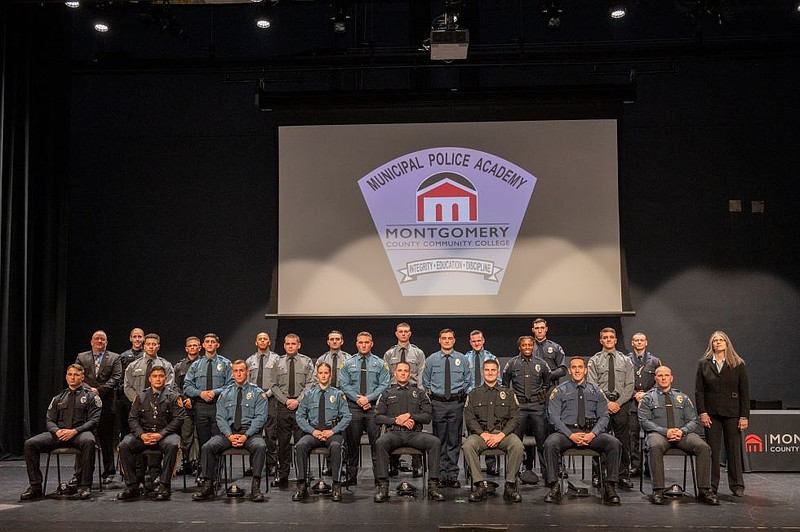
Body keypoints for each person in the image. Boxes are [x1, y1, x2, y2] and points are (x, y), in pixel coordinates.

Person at [542, 357, 622, 505]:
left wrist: (593, 434)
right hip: (567, 433)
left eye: (580, 367)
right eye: (574, 367)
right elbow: (553, 417)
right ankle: (554, 486)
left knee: (614, 443)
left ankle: (610, 486)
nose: (577, 370)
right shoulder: (559, 391)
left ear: (585, 370)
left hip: (591, 433)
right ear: (570, 370)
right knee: (550, 443)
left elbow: (604, 416)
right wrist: (570, 434)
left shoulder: (596, 391)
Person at [639, 366, 718, 505]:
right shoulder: (647, 398)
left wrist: (682, 431)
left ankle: (704, 490)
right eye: (660, 375)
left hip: (682, 434)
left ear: (671, 378)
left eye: (666, 375)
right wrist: (666, 431)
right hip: (659, 434)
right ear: (655, 378)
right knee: (654, 445)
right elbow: (644, 421)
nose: (663, 378)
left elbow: (693, 420)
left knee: (703, 447)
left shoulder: (682, 397)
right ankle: (658, 490)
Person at [21, 364, 102, 501]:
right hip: (60, 434)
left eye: (76, 375)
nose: (73, 377)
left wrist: (74, 431)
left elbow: (94, 421)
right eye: (70, 374)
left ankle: (85, 486)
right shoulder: (58, 398)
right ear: (66, 377)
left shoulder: (91, 397)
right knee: (30, 444)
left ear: (82, 377)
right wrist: (56, 431)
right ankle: (35, 487)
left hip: (80, 433)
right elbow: (49, 420)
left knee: (89, 441)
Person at [193, 360, 269, 502]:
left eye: (241, 370)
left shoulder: (258, 393)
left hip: (250, 433)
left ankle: (256, 487)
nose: (239, 373)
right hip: (228, 433)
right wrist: (229, 435)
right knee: (208, 446)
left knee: (261, 446)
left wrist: (246, 435)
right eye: (236, 371)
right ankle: (208, 485)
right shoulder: (225, 393)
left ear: (248, 372)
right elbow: (220, 417)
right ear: (232, 373)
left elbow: (260, 418)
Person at [373, 361, 445, 503]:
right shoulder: (387, 393)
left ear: (410, 373)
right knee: (380, 442)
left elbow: (427, 416)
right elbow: (377, 417)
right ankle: (383, 487)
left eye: (406, 371)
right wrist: (396, 420)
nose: (403, 373)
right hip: (394, 433)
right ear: (395, 373)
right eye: (400, 370)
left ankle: (433, 486)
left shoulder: (419, 393)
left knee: (435, 442)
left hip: (414, 434)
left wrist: (411, 416)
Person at [117, 366, 186, 501]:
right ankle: (132, 485)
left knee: (173, 445)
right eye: (155, 376)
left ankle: (164, 485)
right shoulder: (141, 396)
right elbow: (132, 418)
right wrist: (141, 435)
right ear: (150, 379)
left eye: (161, 376)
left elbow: (179, 419)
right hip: (145, 434)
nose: (158, 379)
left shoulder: (173, 396)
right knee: (124, 445)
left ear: (165, 378)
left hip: (165, 435)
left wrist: (161, 434)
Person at [695, 330, 750, 497]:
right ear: (711, 344)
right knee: (712, 450)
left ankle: (737, 485)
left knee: (733, 450)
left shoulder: (738, 364)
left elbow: (744, 392)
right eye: (715, 341)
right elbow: (699, 391)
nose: (717, 343)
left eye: (721, 340)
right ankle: (712, 485)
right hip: (711, 413)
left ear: (727, 343)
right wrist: (702, 412)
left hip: (732, 413)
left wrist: (744, 416)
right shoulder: (704, 364)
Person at [463, 358, 524, 503]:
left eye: (493, 370)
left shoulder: (508, 393)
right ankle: (480, 486)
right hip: (481, 435)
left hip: (503, 434)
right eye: (487, 370)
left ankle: (510, 486)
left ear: (498, 373)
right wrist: (483, 434)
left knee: (517, 445)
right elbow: (470, 418)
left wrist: (501, 435)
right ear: (483, 373)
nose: (490, 373)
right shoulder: (473, 394)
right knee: (468, 445)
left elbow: (515, 418)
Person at [292, 363, 351, 502]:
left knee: (336, 446)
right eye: (321, 373)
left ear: (330, 375)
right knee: (300, 446)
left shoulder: (338, 394)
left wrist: (332, 431)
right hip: (314, 433)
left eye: (326, 373)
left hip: (332, 432)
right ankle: (301, 485)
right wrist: (312, 431)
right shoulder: (309, 394)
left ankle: (336, 485)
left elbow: (347, 416)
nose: (323, 375)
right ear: (317, 375)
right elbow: (299, 416)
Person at [123, 333, 176, 488]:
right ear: (144, 346)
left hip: (159, 411)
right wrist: (139, 401)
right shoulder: (134, 365)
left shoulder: (166, 365)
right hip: (138, 409)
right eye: (149, 344)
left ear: (158, 346)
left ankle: (155, 476)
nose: (151, 346)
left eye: (154, 344)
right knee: (138, 440)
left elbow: (169, 387)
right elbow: (127, 386)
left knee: (155, 440)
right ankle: (137, 477)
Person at [339, 331, 391, 486]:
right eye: (360, 342)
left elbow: (385, 384)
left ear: (371, 344)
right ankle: (351, 476)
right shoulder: (348, 363)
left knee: (377, 444)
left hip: (373, 408)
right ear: (356, 344)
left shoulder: (380, 363)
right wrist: (358, 399)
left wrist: (368, 398)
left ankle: (379, 478)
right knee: (352, 444)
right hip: (353, 407)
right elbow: (344, 384)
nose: (363, 345)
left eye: (366, 342)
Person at [587, 327, 635, 489]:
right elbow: (592, 384)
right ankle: (598, 474)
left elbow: (630, 385)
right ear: (601, 341)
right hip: (601, 405)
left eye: (611, 337)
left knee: (623, 442)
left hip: (621, 404)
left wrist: (618, 403)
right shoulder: (594, 360)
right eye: (605, 337)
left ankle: (622, 475)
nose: (608, 339)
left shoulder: (626, 360)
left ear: (615, 340)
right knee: (599, 439)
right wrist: (606, 402)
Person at [422, 328, 470, 488]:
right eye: (444, 338)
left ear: (454, 340)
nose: (447, 341)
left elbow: (467, 381)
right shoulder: (431, 360)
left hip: (456, 403)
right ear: (439, 340)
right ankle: (441, 474)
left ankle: (453, 475)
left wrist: (460, 395)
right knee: (439, 440)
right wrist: (433, 397)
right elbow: (425, 381)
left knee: (454, 440)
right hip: (438, 404)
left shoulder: (462, 359)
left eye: (450, 338)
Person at [74, 330, 122, 484]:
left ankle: (109, 472)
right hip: (85, 404)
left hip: (107, 403)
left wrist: (99, 390)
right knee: (84, 438)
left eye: (103, 339)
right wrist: (90, 390)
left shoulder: (115, 357)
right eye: (97, 339)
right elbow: (77, 374)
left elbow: (116, 377)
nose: (100, 341)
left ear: (106, 342)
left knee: (107, 439)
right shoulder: (82, 357)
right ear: (91, 341)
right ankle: (80, 473)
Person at [268, 333, 315, 488]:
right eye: (287, 344)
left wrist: (298, 400)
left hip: (301, 406)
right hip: (283, 406)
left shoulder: (307, 361)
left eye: (293, 344)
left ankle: (303, 475)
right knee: (283, 444)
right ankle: (283, 475)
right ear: (284, 345)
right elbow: (273, 385)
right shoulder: (277, 362)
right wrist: (286, 401)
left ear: (299, 345)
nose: (290, 346)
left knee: (302, 443)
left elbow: (311, 383)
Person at [502, 335, 550, 485]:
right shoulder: (511, 364)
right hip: (519, 408)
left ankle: (547, 475)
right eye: (524, 345)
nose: (527, 348)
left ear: (533, 346)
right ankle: (514, 475)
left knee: (542, 442)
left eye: (530, 345)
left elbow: (547, 382)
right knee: (516, 443)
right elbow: (505, 385)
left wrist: (541, 394)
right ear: (519, 347)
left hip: (537, 407)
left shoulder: (541, 364)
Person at [383, 322, 426, 478]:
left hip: (413, 393)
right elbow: (386, 376)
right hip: (394, 393)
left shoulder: (418, 353)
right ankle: (393, 462)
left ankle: (417, 464)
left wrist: (421, 395)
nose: (403, 334)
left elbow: (421, 375)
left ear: (410, 333)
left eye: (406, 331)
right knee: (394, 426)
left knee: (415, 426)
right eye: (400, 331)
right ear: (396, 333)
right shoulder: (389, 354)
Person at [182, 333, 233, 452]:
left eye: (212, 342)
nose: (210, 344)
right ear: (203, 345)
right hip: (201, 407)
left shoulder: (225, 363)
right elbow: (187, 386)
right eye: (207, 342)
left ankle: (217, 469)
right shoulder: (195, 365)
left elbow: (231, 385)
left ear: (217, 345)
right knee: (202, 441)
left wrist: (215, 392)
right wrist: (200, 393)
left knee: (218, 440)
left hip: (219, 405)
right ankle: (204, 468)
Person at [316, 330, 351, 477]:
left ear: (342, 341)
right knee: (327, 427)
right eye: (332, 339)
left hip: (343, 398)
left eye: (337, 339)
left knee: (344, 433)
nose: (335, 341)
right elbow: (315, 380)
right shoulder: (321, 359)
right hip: (326, 397)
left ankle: (342, 464)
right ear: (328, 342)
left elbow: (352, 380)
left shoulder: (349, 359)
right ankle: (329, 465)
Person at [626, 332, 662, 477]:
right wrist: (635, 394)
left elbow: (660, 381)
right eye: (636, 340)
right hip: (632, 403)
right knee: (632, 436)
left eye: (642, 340)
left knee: (650, 434)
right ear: (632, 343)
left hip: (650, 403)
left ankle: (649, 466)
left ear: (646, 342)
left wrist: (646, 395)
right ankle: (635, 465)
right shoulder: (626, 360)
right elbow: (623, 381)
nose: (639, 342)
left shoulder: (655, 361)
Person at [246, 332, 281, 478]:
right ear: (256, 342)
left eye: (265, 339)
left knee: (271, 433)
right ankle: (255, 464)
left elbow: (279, 380)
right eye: (259, 339)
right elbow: (246, 381)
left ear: (269, 342)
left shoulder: (276, 359)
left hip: (270, 398)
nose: (262, 341)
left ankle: (271, 464)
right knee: (253, 432)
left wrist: (267, 393)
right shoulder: (250, 360)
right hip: (254, 400)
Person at [464, 330, 499, 476]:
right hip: (472, 398)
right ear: (470, 342)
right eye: (474, 341)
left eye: (479, 340)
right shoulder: (466, 358)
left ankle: (491, 465)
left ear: (483, 340)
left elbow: (499, 379)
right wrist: (471, 393)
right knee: (473, 431)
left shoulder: (491, 357)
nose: (476, 343)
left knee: (490, 429)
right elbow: (463, 379)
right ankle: (472, 467)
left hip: (490, 398)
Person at [173, 336, 202, 475]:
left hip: (201, 404)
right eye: (190, 346)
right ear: (186, 348)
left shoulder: (204, 363)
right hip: (185, 406)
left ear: (199, 347)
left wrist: (195, 398)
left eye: (195, 345)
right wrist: (185, 399)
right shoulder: (179, 366)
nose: (192, 348)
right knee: (186, 435)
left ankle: (200, 464)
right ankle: (187, 464)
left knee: (200, 435)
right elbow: (175, 386)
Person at [117, 327, 145, 439]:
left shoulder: (147, 355)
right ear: (130, 339)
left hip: (143, 396)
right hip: (126, 396)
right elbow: (119, 376)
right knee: (126, 426)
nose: (137, 339)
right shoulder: (123, 356)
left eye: (140, 337)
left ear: (143, 339)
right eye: (135, 337)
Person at [532, 318, 567, 388]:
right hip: (533, 387)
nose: (539, 331)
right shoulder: (528, 348)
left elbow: (563, 369)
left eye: (542, 328)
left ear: (546, 329)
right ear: (533, 330)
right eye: (537, 328)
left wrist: (549, 375)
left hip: (551, 386)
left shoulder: (555, 347)